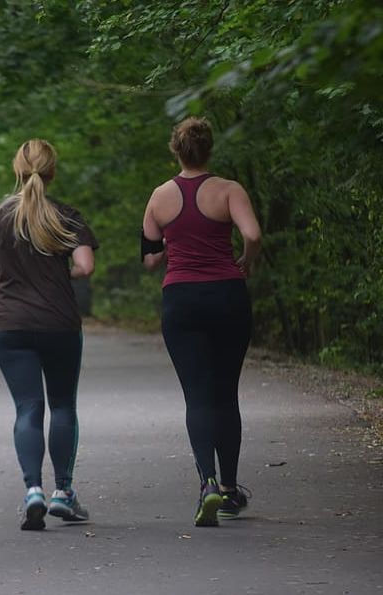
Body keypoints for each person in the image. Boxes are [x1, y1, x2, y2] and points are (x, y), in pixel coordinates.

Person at [141, 117, 262, 527]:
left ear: (175, 150)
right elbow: (254, 234)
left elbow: (150, 256)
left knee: (197, 395)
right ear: (210, 149)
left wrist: (168, 247)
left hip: (182, 300)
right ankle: (229, 489)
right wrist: (246, 259)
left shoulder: (158, 197)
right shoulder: (229, 190)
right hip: (228, 296)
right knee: (226, 393)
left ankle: (206, 483)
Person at [0, 139, 98, 531]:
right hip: (59, 323)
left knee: (28, 408)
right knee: (63, 406)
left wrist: (11, 272)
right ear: (52, 171)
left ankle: (33, 492)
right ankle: (64, 492)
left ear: (17, 170)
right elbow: (85, 266)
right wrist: (57, 272)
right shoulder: (66, 216)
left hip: (10, 325)